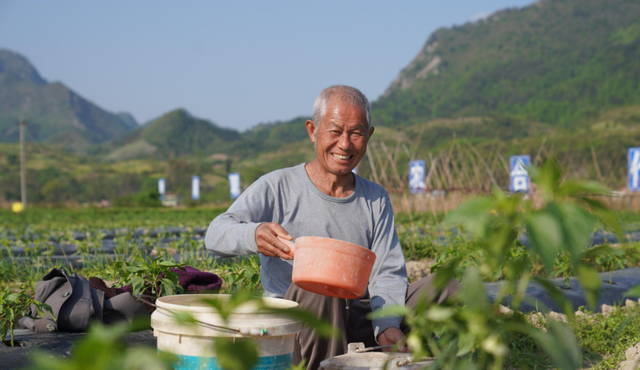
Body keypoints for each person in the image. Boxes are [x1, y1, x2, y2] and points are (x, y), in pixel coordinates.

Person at [205, 85, 458, 370]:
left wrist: (386, 324)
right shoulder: (277, 186)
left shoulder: (374, 197)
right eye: (335, 131)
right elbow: (216, 233)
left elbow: (387, 269)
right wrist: (254, 234)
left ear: (369, 136)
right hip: (299, 322)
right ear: (313, 131)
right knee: (321, 283)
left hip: (358, 314)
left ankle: (407, 353)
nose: (345, 144)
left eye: (356, 133)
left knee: (445, 286)